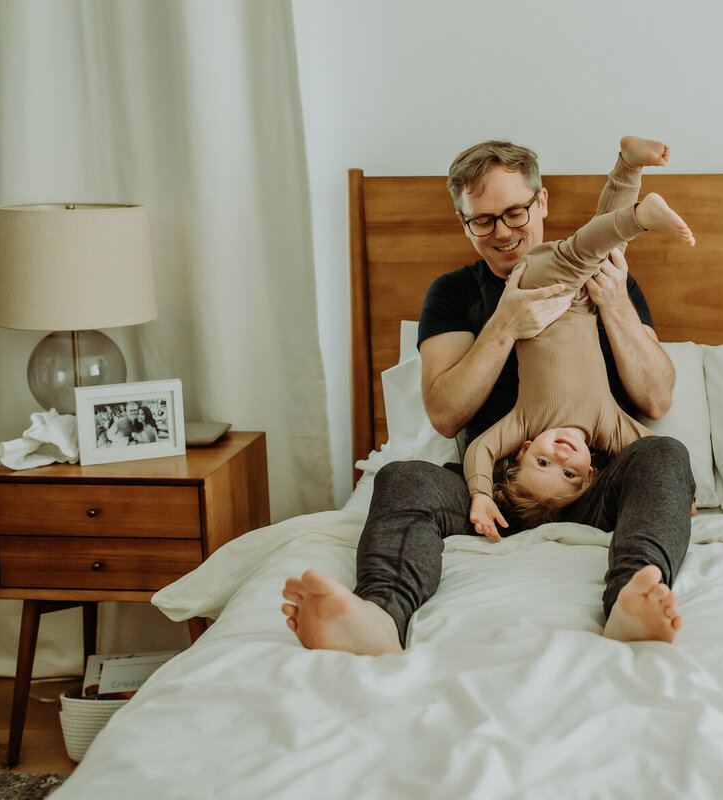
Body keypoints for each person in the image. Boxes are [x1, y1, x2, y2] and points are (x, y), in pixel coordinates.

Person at [282, 137, 696, 655]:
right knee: (403, 477)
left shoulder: (602, 273)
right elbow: (444, 413)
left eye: (515, 212)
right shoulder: (453, 294)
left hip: (596, 486)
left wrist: (613, 304)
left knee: (664, 454)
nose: (501, 232)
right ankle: (380, 616)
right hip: (492, 497)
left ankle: (631, 603)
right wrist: (503, 326)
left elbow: (657, 400)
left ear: (542, 202)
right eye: (483, 220)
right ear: (464, 222)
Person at [464, 146, 694, 538]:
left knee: (579, 253)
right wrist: (679, 491)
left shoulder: (524, 423)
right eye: (568, 473)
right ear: (590, 472)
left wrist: (481, 493)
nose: (559, 456)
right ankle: (629, 165)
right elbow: (661, 452)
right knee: (606, 247)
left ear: (523, 450)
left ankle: (640, 216)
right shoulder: (609, 427)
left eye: (541, 463)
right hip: (584, 300)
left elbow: (479, 450)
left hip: (535, 287)